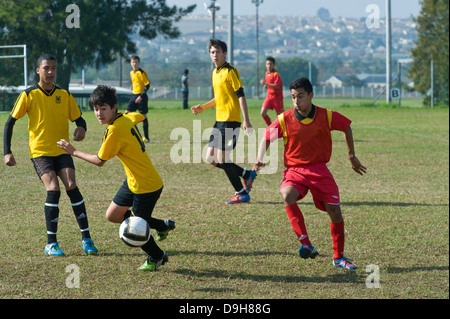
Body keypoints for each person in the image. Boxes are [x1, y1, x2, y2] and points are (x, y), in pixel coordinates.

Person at [252, 77, 367, 270]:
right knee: (287, 194)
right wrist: (259, 158)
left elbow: (346, 126)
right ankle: (305, 243)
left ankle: (339, 257)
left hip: (319, 169)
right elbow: (266, 136)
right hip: (294, 170)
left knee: (335, 212)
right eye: (293, 97)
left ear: (311, 95)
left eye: (301, 96)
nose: (297, 101)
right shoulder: (284, 119)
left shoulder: (326, 115)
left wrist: (352, 156)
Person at [57, 85, 175, 271]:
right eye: (96, 109)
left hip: (146, 186)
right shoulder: (125, 118)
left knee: (134, 228)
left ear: (114, 108)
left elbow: (99, 161)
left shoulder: (115, 131)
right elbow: (139, 116)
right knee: (113, 215)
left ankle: (157, 256)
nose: (99, 113)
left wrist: (73, 151)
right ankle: (162, 226)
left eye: (103, 108)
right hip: (133, 180)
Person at [3, 54, 98, 256]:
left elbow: (80, 120)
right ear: (38, 70)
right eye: (46, 68)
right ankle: (51, 243)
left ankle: (87, 239)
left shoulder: (64, 95)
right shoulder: (28, 94)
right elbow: (10, 122)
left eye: (53, 68)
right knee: (53, 188)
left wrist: (81, 129)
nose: (50, 72)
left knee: (71, 185)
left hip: (62, 150)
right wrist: (7, 152)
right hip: (40, 152)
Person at [191, 39, 257, 204]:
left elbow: (240, 96)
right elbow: (218, 98)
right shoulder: (215, 72)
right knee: (210, 158)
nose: (215, 55)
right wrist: (203, 107)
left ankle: (241, 192)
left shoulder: (231, 71)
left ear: (225, 53)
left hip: (231, 121)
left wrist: (246, 121)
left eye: (218, 52)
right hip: (219, 122)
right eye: (212, 52)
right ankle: (246, 175)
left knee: (222, 158)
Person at [126, 55, 151, 143]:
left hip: (142, 97)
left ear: (138, 63)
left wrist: (141, 96)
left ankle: (147, 138)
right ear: (131, 63)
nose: (135, 64)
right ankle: (132, 135)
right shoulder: (131, 73)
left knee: (143, 117)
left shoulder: (141, 72)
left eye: (136, 62)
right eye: (133, 62)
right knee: (126, 114)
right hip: (133, 96)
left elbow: (147, 85)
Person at [260, 56, 284, 126]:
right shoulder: (266, 73)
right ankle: (271, 127)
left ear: (274, 65)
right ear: (265, 65)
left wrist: (266, 83)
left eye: (271, 64)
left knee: (280, 117)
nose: (269, 66)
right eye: (267, 64)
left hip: (277, 98)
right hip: (269, 96)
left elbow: (277, 86)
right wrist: (265, 85)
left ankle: (284, 131)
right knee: (263, 113)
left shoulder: (276, 74)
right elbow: (268, 85)